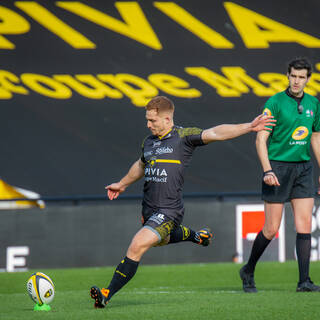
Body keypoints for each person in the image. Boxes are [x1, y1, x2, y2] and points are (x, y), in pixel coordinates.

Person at [90, 95, 275, 308]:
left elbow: (215, 133)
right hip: (149, 208)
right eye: (147, 120)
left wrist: (248, 126)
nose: (148, 124)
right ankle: (197, 236)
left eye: (153, 121)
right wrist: (122, 184)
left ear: (168, 119)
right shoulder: (148, 142)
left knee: (137, 244)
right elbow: (141, 165)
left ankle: (106, 294)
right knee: (160, 239)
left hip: (169, 210)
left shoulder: (183, 137)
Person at [240, 57, 320, 293]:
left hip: (304, 168)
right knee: (271, 228)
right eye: (293, 76)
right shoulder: (274, 103)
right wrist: (267, 170)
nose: (296, 81)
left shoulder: (313, 104)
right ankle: (248, 269)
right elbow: (261, 139)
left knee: (304, 224)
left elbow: (315, 138)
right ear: (287, 75)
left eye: (301, 77)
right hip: (277, 167)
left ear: (308, 79)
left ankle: (304, 281)